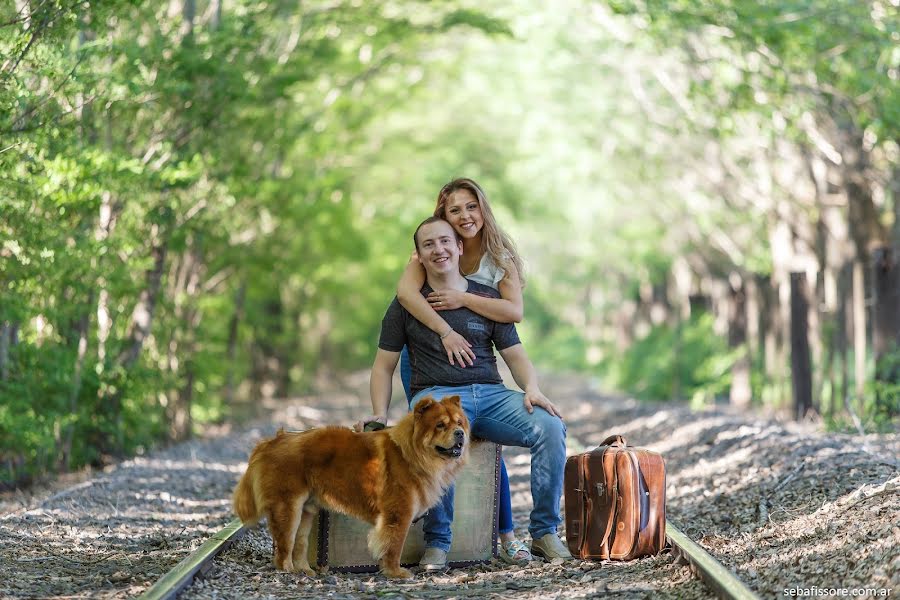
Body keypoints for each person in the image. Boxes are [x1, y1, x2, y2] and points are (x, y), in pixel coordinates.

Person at [360, 216, 571, 572]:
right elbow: (383, 366)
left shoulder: (484, 296)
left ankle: (544, 532)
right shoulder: (406, 305)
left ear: (459, 247)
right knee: (432, 437)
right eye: (429, 245)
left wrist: (532, 389)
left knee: (550, 427)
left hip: (490, 393)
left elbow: (515, 354)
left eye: (445, 242)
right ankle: (438, 542)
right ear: (419, 256)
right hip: (437, 395)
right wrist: (379, 414)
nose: (438, 250)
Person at [396, 178, 531, 565]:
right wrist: (445, 331)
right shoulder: (432, 251)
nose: (464, 216)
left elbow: (513, 312)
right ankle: (434, 536)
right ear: (443, 215)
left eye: (471, 207)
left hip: (477, 359)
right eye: (454, 210)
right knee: (433, 441)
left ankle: (505, 536)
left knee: (487, 441)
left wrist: (461, 299)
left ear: (482, 207)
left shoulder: (499, 256)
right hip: (426, 358)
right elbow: (406, 296)